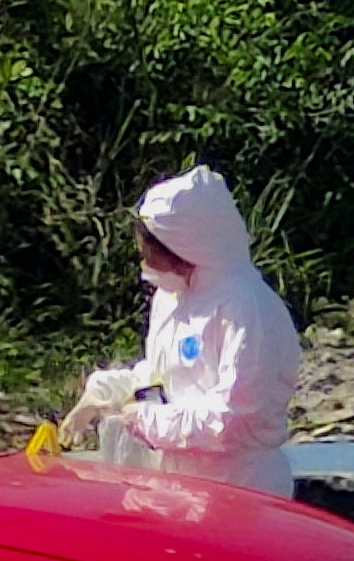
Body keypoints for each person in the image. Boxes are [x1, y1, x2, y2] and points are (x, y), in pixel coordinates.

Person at [61, 166, 300, 497]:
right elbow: (164, 377)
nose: (146, 264)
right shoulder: (175, 295)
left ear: (186, 249)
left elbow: (231, 420)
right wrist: (103, 393)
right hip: (178, 486)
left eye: (152, 255)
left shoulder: (247, 308)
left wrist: (143, 420)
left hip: (239, 488)